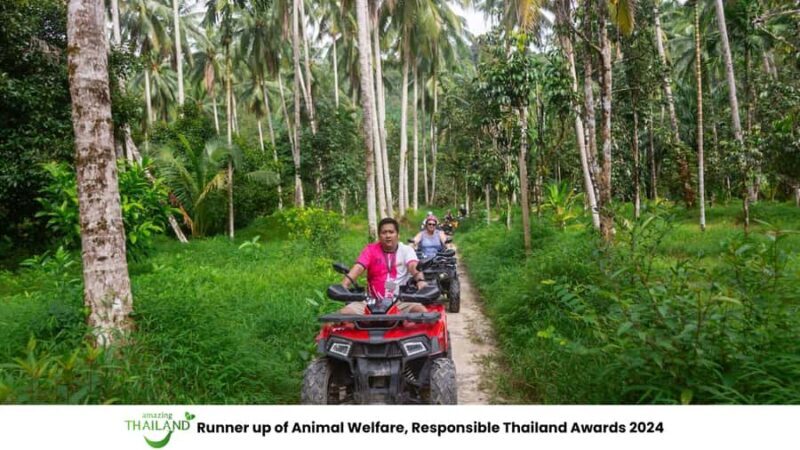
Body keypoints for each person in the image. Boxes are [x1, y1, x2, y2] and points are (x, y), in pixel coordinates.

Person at [339, 217, 428, 315]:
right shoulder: (370, 249)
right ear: (379, 236)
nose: (388, 235)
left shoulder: (406, 250)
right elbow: (359, 267)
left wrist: (420, 281)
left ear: (398, 235)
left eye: (391, 232)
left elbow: (413, 266)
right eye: (384, 232)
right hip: (371, 301)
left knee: (422, 312)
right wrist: (344, 284)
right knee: (340, 315)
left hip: (400, 300)